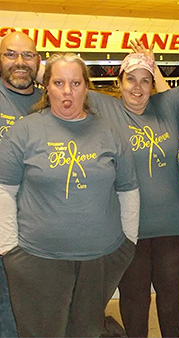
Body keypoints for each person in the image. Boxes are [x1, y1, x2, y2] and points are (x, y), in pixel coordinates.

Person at [0, 52, 139, 337]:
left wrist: (128, 243)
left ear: (86, 88)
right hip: (37, 259)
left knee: (86, 331)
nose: (67, 91)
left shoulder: (110, 131)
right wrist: (9, 249)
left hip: (100, 259)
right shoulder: (25, 131)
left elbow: (128, 190)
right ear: (46, 86)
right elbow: (4, 191)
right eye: (59, 82)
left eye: (75, 83)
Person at [89, 46, 179, 338]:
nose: (137, 87)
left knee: (173, 296)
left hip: (172, 228)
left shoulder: (166, 107)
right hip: (128, 230)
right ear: (119, 82)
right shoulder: (105, 108)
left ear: (153, 84)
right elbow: (59, 78)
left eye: (145, 80)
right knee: (134, 299)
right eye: (131, 79)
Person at [0, 31, 43, 337]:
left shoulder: (52, 100)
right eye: (10, 54)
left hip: (38, 226)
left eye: (28, 55)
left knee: (36, 307)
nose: (19, 62)